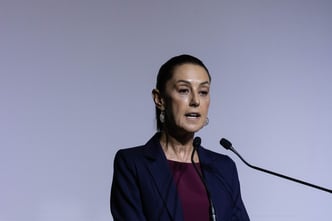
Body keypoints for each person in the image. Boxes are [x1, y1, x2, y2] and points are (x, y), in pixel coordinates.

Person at [110, 54, 250, 221]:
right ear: (159, 99)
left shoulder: (224, 167)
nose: (196, 101)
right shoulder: (132, 164)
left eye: (203, 92)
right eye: (184, 90)